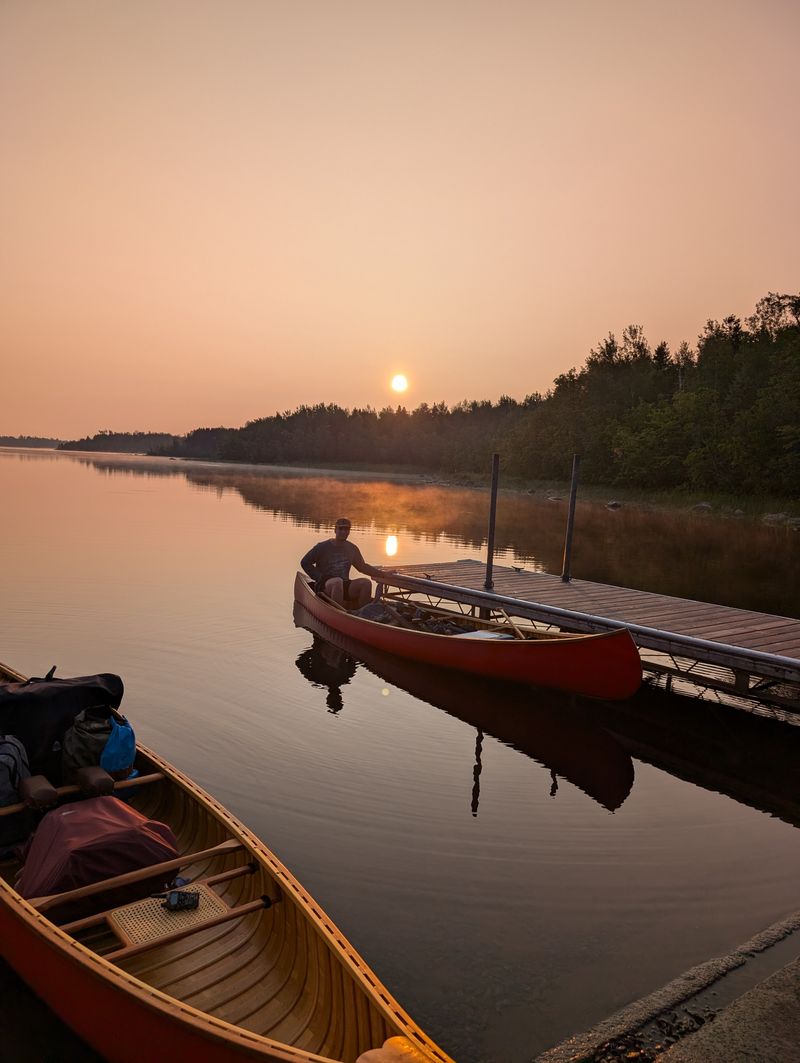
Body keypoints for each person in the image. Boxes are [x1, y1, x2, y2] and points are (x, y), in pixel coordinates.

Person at [300, 518, 386, 609]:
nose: (344, 531)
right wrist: (319, 577)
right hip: (325, 585)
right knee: (337, 582)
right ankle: (339, 613)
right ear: (335, 530)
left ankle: (362, 613)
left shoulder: (352, 548)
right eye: (341, 529)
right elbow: (305, 562)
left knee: (366, 583)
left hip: (344, 584)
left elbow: (362, 567)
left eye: (347, 529)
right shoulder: (322, 547)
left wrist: (383, 574)